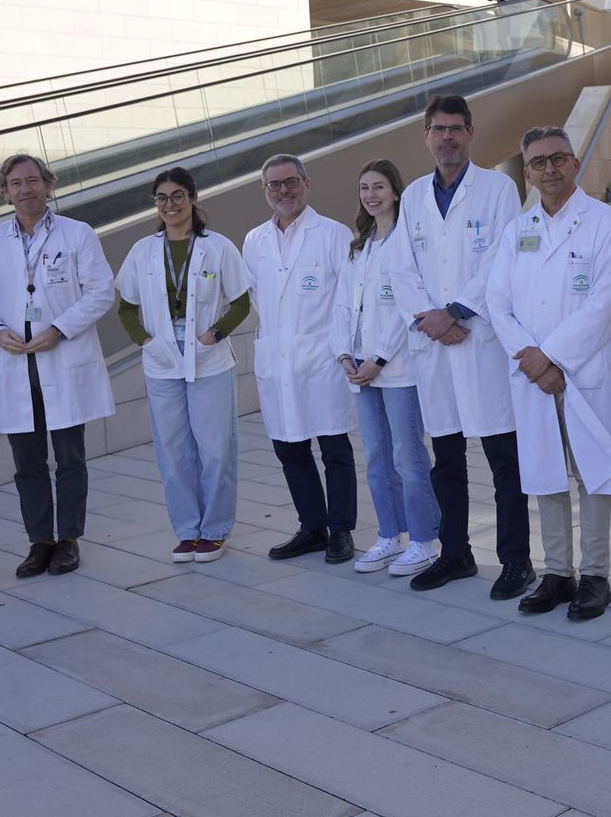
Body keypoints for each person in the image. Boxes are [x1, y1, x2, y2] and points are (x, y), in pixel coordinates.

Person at [385, 95, 534, 598]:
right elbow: (400, 267)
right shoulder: (412, 199)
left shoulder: (498, 189)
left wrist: (456, 312)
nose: (446, 137)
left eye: (455, 128)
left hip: (480, 340)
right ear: (426, 136)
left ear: (470, 133)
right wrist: (432, 319)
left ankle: (516, 561)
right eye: (437, 129)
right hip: (435, 344)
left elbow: (501, 258)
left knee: (502, 458)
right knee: (445, 458)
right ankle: (455, 554)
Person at [487, 126, 611, 621]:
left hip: (580, 372)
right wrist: (531, 359)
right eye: (539, 162)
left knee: (591, 472)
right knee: (544, 473)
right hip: (532, 374)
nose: (549, 168)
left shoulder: (603, 221)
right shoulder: (516, 229)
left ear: (574, 163)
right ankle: (556, 573)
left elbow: (605, 301)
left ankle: (595, 575)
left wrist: (549, 359)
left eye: (558, 159)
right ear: (526, 173)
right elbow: (496, 301)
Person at [0, 154, 115, 577]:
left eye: (33, 180)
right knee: (27, 463)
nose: (25, 189)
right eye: (16, 183)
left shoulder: (77, 233)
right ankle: (39, 542)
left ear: (49, 186)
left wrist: (59, 330)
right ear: (4, 192)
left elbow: (101, 291)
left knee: (70, 458)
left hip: (61, 357)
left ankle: (67, 540)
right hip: (14, 363)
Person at [115, 167, 251, 563]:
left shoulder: (218, 246)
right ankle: (187, 530)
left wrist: (214, 335)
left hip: (207, 355)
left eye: (177, 196)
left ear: (192, 198)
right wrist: (146, 341)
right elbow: (125, 306)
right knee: (173, 449)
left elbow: (241, 301)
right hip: (161, 357)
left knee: (215, 448)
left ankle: (214, 530)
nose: (169, 205)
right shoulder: (143, 250)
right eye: (161, 197)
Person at [243, 154, 358, 565]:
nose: (283, 191)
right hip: (276, 359)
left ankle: (341, 529)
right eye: (274, 184)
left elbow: (348, 300)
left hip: (322, 358)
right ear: (265, 190)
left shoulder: (333, 234)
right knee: (289, 448)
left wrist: (345, 349)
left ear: (307, 184)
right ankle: (312, 526)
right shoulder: (254, 240)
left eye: (291, 182)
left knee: (333, 447)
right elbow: (254, 297)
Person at [332, 159, 440, 577]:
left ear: (395, 191)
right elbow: (342, 305)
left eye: (378, 187)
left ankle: (423, 539)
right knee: (376, 456)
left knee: (408, 457)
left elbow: (405, 309)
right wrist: (344, 355)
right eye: (364, 188)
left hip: (395, 368)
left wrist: (378, 359)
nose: (371, 195)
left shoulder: (407, 241)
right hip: (359, 369)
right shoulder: (359, 246)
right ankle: (389, 534)